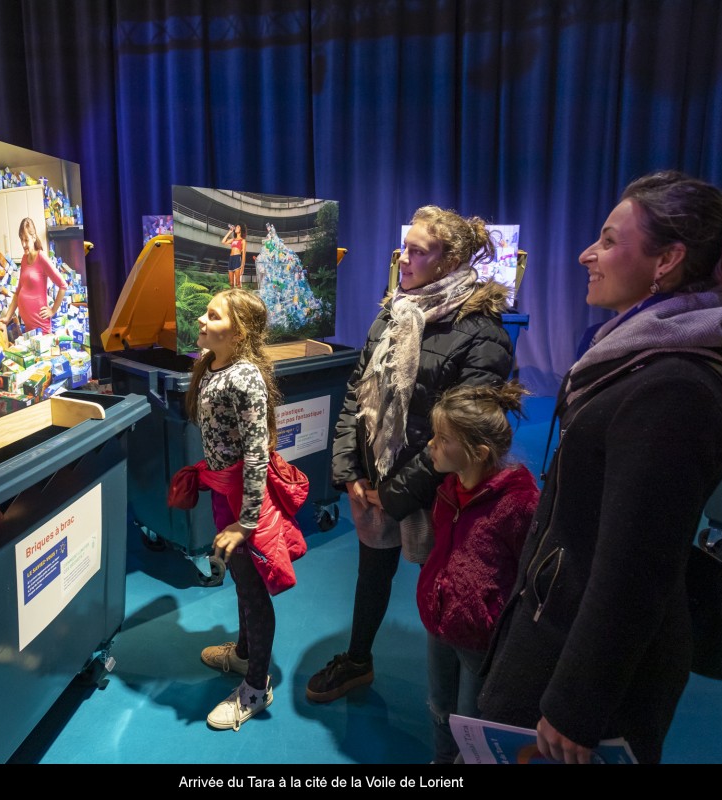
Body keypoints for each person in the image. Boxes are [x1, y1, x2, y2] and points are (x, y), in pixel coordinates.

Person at [477, 170, 722, 764]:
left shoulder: (674, 385)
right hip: (562, 619)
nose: (588, 254)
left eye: (609, 241)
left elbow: (637, 567)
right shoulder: (642, 358)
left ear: (667, 261)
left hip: (582, 662)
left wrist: (577, 703)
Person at [305, 205, 514, 703]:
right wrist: (350, 472)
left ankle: (459, 709)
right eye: (404, 248)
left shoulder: (483, 333)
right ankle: (357, 662)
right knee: (371, 575)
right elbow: (356, 396)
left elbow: (458, 436)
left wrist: (391, 495)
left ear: (449, 260)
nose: (404, 259)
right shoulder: (393, 312)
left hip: (440, 493)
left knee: (449, 590)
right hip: (376, 482)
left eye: (418, 251)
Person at [186, 288, 297, 731]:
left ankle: (255, 687)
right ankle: (245, 653)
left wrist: (247, 521)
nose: (201, 320)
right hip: (222, 491)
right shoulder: (212, 366)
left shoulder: (245, 376)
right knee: (239, 578)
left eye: (213, 316)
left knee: (253, 590)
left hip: (242, 498)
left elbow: (255, 454)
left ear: (239, 331)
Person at [417, 381, 539, 763]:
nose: (430, 446)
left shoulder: (520, 506)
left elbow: (530, 575)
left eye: (441, 439)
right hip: (439, 622)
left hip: (480, 638)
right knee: (439, 705)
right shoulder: (448, 490)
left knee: (473, 721)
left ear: (478, 452)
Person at [3, 217, 67, 335]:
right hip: (28, 327)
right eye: (21, 240)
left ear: (33, 237)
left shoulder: (41, 258)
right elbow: (18, 292)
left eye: (26, 240)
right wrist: (7, 317)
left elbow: (63, 285)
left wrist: (52, 310)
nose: (23, 244)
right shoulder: (24, 259)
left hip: (41, 327)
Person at [221, 223, 247, 288]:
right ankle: (232, 298)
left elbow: (244, 254)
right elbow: (223, 241)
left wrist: (242, 266)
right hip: (231, 259)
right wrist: (230, 231)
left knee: (238, 283)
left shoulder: (243, 241)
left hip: (237, 258)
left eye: (238, 227)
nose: (236, 228)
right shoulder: (233, 239)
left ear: (241, 229)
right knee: (231, 283)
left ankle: (240, 298)